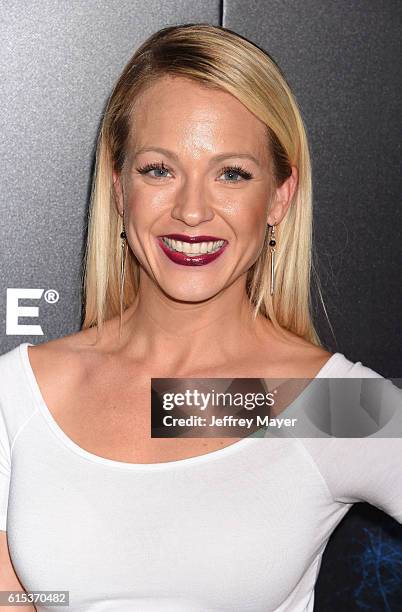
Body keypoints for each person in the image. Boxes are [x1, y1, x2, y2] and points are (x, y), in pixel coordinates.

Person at [0, 23, 400, 612]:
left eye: (231, 173)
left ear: (279, 198)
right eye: (158, 169)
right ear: (118, 187)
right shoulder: (24, 390)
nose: (191, 210)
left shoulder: (321, 402)